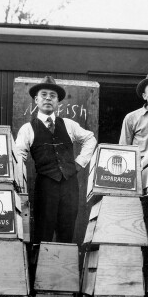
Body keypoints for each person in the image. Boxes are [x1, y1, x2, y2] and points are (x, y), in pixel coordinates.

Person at [15, 76, 96, 243]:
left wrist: (80, 162)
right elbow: (18, 157)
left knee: (67, 230)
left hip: (70, 186)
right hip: (45, 186)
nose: (48, 98)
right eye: (43, 95)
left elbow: (90, 139)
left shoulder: (68, 124)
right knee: (43, 231)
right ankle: (40, 268)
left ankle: (62, 268)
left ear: (58, 101)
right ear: (36, 99)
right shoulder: (28, 129)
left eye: (52, 96)